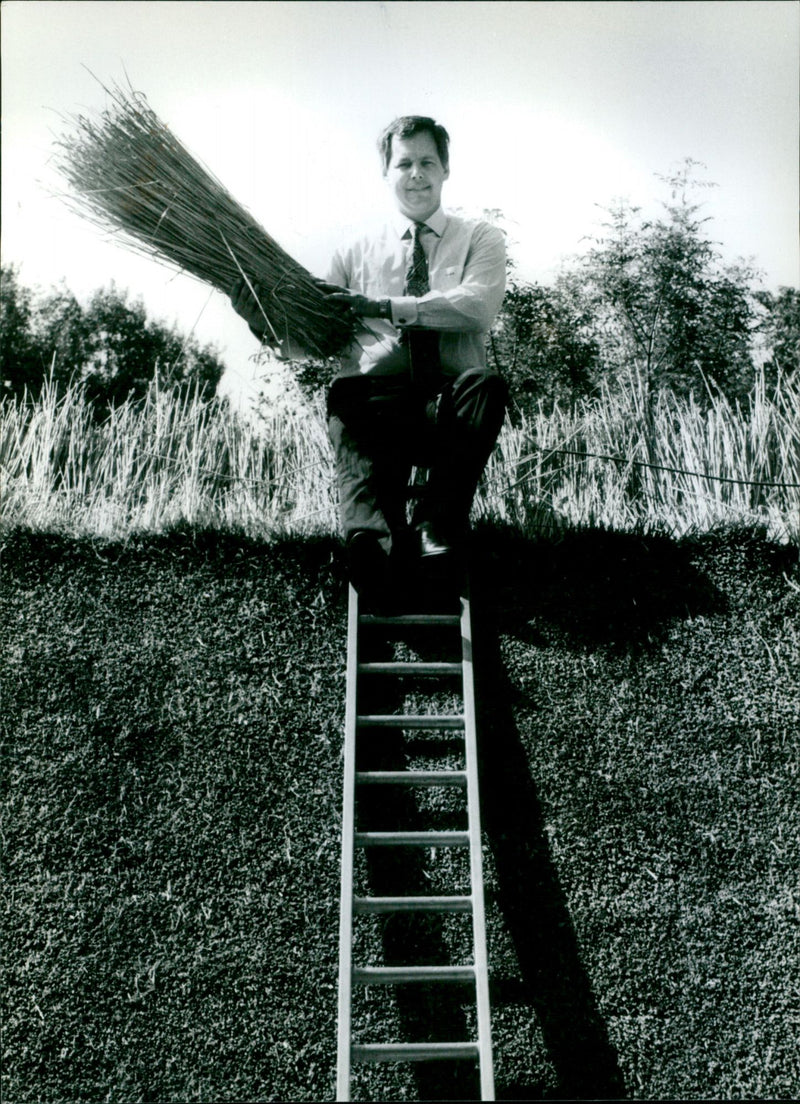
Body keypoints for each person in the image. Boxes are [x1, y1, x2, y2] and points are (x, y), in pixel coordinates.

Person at [231, 115, 507, 609]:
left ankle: (436, 523)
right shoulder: (352, 251)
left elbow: (478, 305)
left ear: (446, 170)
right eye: (404, 163)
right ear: (386, 172)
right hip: (374, 408)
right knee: (347, 397)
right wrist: (262, 320)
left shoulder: (480, 238)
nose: (416, 174)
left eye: (427, 162)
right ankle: (370, 549)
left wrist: (383, 307)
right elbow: (310, 343)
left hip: (442, 407)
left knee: (485, 386)